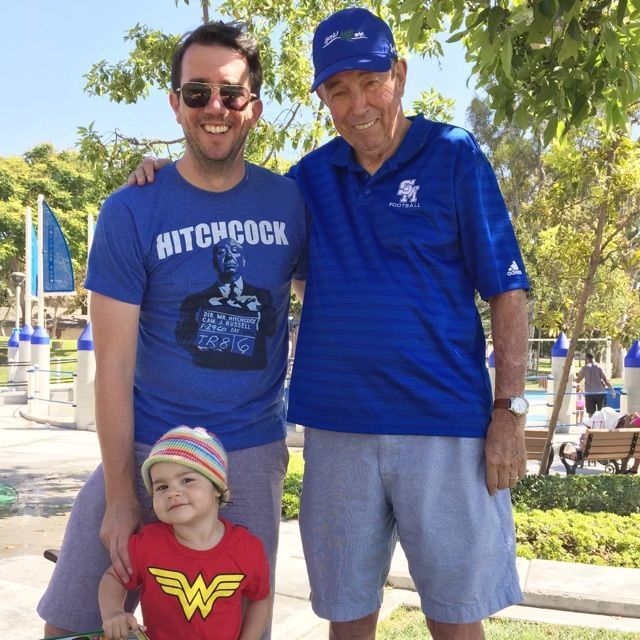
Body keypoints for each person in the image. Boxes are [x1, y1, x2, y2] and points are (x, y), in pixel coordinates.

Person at [130, 8, 530, 639]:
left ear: (400, 74)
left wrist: (508, 410)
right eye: (338, 89)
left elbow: (508, 291)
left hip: (444, 425)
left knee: (456, 617)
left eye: (371, 82)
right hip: (337, 432)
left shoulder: (455, 154)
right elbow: (231, 198)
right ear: (321, 98)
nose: (358, 104)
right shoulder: (308, 182)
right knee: (345, 615)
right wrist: (161, 179)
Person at [37, 20, 307, 639]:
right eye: (197, 93)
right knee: (75, 623)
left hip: (247, 455)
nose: (215, 107)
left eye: (231, 93)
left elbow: (326, 297)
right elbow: (114, 367)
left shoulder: (290, 203)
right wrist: (121, 495)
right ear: (175, 103)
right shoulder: (132, 209)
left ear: (254, 107)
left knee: (234, 629)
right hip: (144, 451)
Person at [99, 426, 270, 640]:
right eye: (161, 487)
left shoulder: (247, 548)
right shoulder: (148, 543)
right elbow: (113, 577)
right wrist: (113, 613)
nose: (173, 492)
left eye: (187, 480)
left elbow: (260, 597)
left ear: (218, 488)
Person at [175, 237, 276, 369]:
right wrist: (201, 329)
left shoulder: (262, 296)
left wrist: (259, 315)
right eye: (222, 252)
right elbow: (181, 337)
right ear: (214, 262)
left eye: (235, 250)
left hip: (254, 369)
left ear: (243, 260)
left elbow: (272, 331)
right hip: (206, 369)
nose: (229, 256)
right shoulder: (194, 301)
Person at [575, 352, 616, 417]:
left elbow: (578, 380)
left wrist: (572, 378)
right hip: (600, 393)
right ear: (593, 357)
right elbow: (606, 380)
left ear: (586, 358)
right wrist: (612, 390)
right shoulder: (599, 367)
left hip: (589, 393)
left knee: (591, 413)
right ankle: (602, 423)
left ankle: (591, 423)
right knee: (602, 412)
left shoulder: (585, 368)